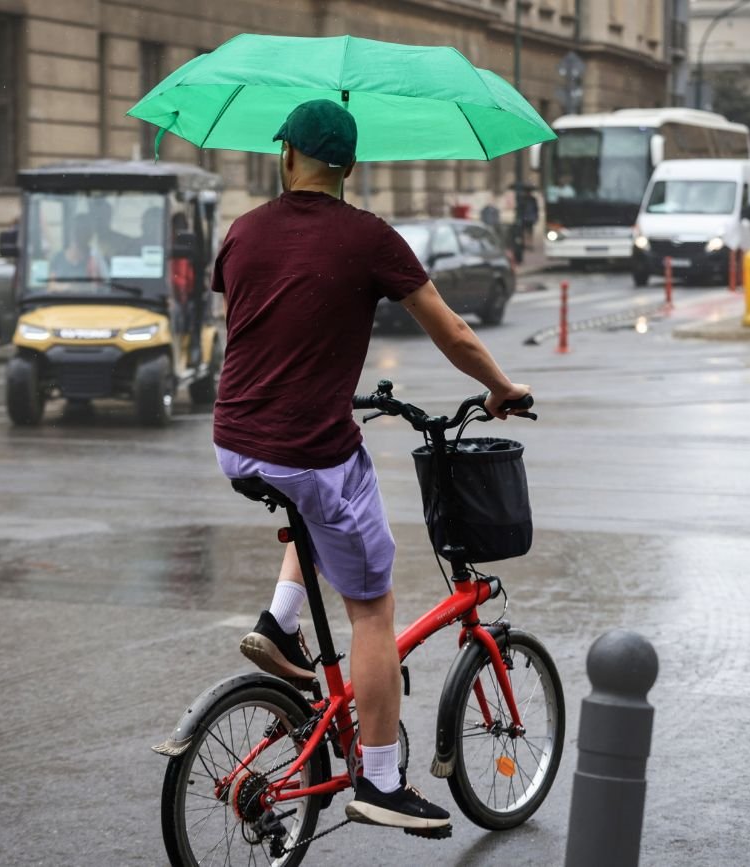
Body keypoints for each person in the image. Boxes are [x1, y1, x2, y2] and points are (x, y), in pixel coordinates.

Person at [211, 98, 531, 831]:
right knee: (373, 606)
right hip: (308, 450)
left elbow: (259, 317)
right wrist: (500, 387)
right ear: (349, 166)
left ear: (287, 155)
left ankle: (280, 617)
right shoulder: (369, 238)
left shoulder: (244, 230)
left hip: (235, 441)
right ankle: (382, 779)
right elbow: (449, 329)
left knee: (323, 507)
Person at [49, 213, 109, 283]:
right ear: (70, 232)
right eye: (76, 229)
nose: (78, 234)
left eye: (83, 230)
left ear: (89, 235)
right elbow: (51, 287)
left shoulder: (95, 257)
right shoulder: (58, 258)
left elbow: (98, 287)